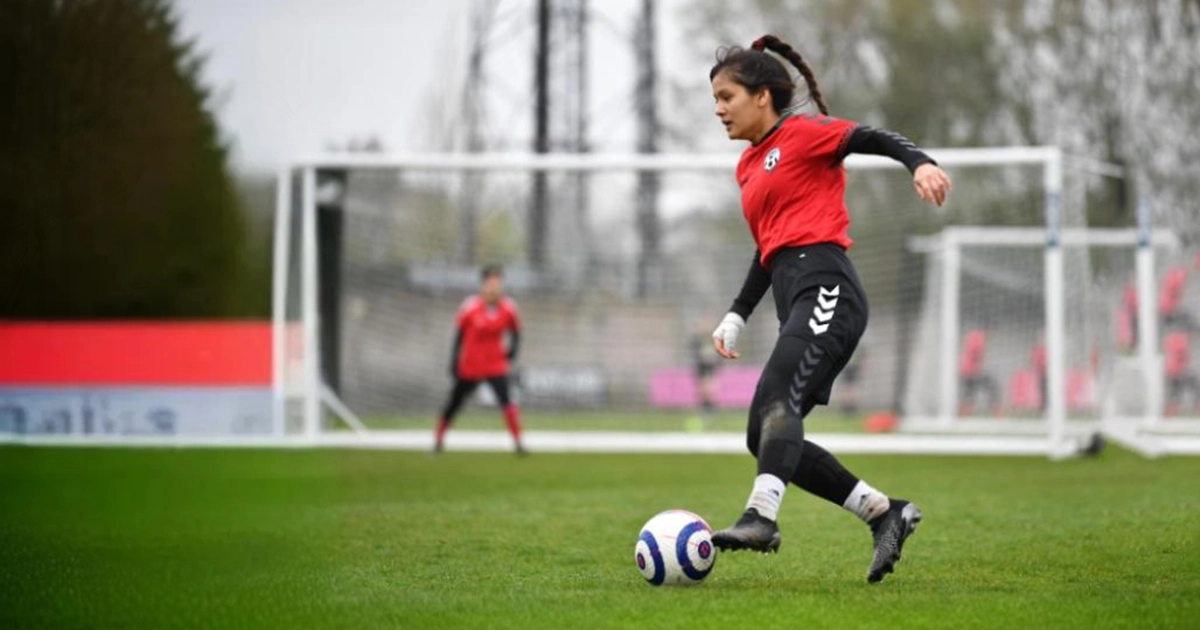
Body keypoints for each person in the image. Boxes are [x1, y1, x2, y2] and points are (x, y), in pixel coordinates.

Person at [706, 35, 952, 583]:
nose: (718, 109)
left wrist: (919, 163)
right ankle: (883, 512)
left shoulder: (803, 133)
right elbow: (768, 248)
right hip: (795, 295)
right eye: (715, 100)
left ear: (762, 96)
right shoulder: (747, 166)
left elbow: (871, 136)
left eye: (726, 96)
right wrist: (737, 313)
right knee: (761, 435)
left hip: (828, 289)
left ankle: (760, 517)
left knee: (778, 399)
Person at [433, 265, 526, 455]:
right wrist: (454, 361)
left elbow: (516, 332)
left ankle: (518, 443)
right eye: (490, 284)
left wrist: (512, 352)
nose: (493, 288)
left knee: (507, 401)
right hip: (471, 364)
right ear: (483, 286)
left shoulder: (508, 308)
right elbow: (459, 336)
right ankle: (438, 440)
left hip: (495, 364)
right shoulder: (470, 307)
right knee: (454, 402)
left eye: (497, 284)